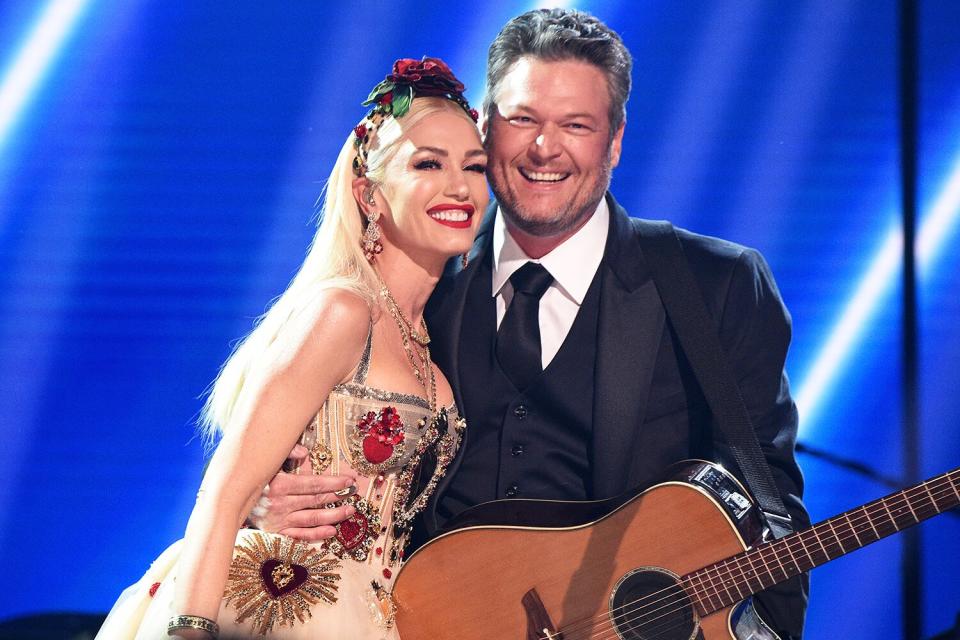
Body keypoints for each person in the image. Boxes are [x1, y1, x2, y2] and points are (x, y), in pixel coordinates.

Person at [264, 8, 811, 639]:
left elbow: (772, 506)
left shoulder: (713, 284)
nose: (544, 148)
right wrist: (273, 502)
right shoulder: (415, 284)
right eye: (522, 119)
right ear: (486, 128)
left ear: (614, 141)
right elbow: (300, 447)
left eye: (575, 125)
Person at [95, 57, 488, 639]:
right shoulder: (343, 310)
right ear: (369, 194)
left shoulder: (426, 336)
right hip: (275, 608)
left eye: (474, 166)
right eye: (427, 163)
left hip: (377, 615)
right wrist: (190, 630)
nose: (459, 186)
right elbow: (225, 493)